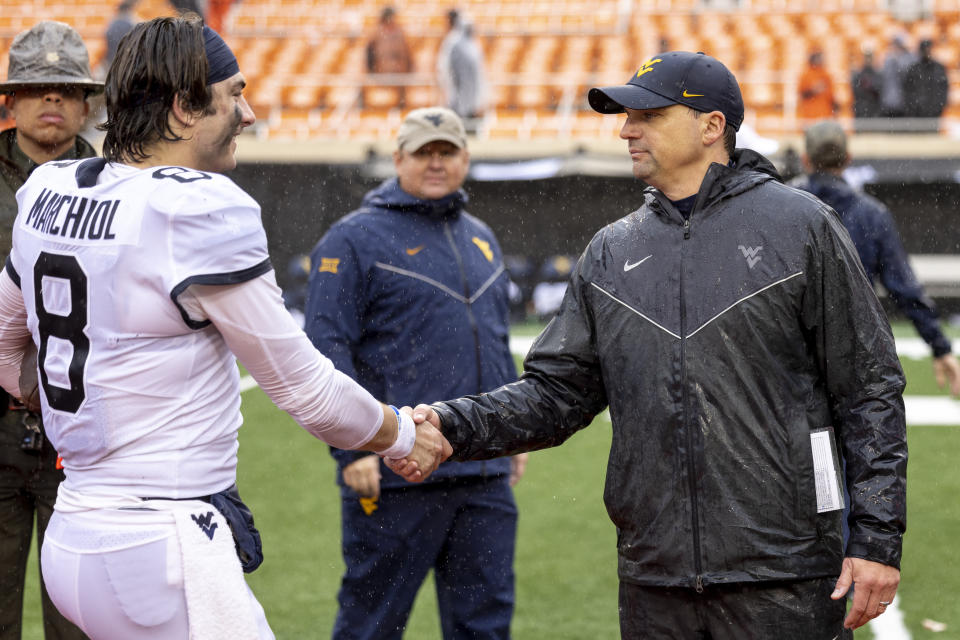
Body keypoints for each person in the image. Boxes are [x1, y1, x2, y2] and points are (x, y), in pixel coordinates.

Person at [400, 51, 907, 638]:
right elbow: (556, 396)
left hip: (785, 575)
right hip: (654, 578)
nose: (625, 129)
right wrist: (449, 425)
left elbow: (869, 388)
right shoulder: (610, 252)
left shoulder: (804, 228)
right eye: (624, 116)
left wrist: (876, 538)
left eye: (647, 115)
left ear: (712, 126)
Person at [0, 16, 449, 640]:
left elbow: (5, 343)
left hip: (74, 529)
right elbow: (306, 392)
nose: (250, 112)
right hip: (161, 545)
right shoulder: (195, 207)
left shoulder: (48, 186)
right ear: (185, 109)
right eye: (234, 93)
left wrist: (55, 400)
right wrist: (400, 434)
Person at [304, 106, 526, 640]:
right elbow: (327, 349)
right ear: (398, 157)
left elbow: (495, 341)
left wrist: (515, 434)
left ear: (465, 159)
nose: (435, 162)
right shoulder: (353, 238)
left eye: (446, 151)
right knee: (371, 623)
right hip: (396, 469)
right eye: (423, 152)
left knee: (485, 625)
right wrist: (352, 448)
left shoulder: (481, 236)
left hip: (482, 472)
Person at [0, 20, 100, 640]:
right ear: (10, 101)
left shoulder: (124, 186)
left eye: (67, 88)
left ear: (89, 104)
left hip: (87, 436)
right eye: (39, 89)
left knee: (83, 622)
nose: (54, 100)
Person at [793, 120, 960, 395]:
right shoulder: (872, 214)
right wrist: (939, 346)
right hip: (853, 353)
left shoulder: (780, 209)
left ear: (805, 160)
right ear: (848, 159)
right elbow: (905, 289)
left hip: (794, 353)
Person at [364, 6, 413, 109]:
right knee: (382, 102)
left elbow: (408, 54)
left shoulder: (400, 33)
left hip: (399, 74)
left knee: (401, 103)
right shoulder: (376, 33)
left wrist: (409, 70)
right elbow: (369, 54)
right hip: (382, 74)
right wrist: (371, 72)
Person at [903, 39, 947, 133]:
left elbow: (944, 89)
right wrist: (913, 106)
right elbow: (907, 90)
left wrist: (938, 107)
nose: (927, 52)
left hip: (934, 113)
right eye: (924, 49)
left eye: (928, 49)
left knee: (932, 140)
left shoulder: (939, 68)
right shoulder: (914, 69)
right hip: (917, 114)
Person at [880, 34, 914, 121]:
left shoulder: (908, 59)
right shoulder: (888, 59)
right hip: (888, 101)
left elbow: (907, 76)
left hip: (903, 101)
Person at [797, 50, 836, 122]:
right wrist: (812, 90)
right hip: (809, 115)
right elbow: (801, 93)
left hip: (825, 114)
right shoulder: (806, 75)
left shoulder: (826, 75)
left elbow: (832, 96)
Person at [851, 49, 883, 132]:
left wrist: (871, 87)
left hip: (873, 110)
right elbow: (855, 91)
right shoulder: (858, 74)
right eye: (866, 57)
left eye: (869, 57)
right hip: (861, 109)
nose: (868, 60)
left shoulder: (877, 74)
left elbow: (880, 90)